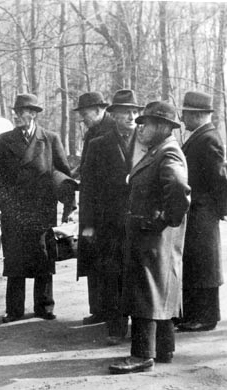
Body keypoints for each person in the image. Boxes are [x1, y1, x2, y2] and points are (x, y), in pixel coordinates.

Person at [109, 101, 191, 374]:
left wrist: (165, 220)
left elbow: (179, 187)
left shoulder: (167, 152)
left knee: (146, 291)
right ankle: (164, 348)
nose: (140, 128)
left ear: (163, 127)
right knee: (159, 288)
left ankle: (142, 354)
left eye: (147, 124)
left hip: (152, 235)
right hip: (152, 235)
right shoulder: (158, 150)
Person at [0, 93, 73, 324]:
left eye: (24, 112)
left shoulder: (50, 139)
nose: (19, 116)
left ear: (34, 114)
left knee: (43, 257)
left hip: (41, 209)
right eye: (17, 112)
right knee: (15, 260)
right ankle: (14, 309)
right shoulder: (4, 140)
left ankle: (44, 306)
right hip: (14, 210)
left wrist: (66, 202)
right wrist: (5, 203)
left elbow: (63, 172)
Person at [80, 90, 143, 344]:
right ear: (113, 114)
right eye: (125, 111)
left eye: (134, 112)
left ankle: (141, 330)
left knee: (139, 276)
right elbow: (88, 192)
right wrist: (88, 228)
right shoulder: (99, 145)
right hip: (109, 224)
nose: (131, 116)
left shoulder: (148, 142)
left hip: (141, 223)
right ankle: (116, 328)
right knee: (111, 275)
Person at [176, 91, 227, 332]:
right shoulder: (200, 136)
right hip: (197, 211)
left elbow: (221, 179)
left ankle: (206, 317)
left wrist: (220, 209)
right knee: (196, 263)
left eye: (186, 114)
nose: (182, 119)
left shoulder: (208, 138)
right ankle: (195, 315)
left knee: (204, 265)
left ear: (198, 115)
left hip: (203, 212)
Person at [73, 91, 116, 326]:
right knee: (94, 260)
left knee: (106, 262)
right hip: (91, 204)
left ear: (100, 110)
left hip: (105, 209)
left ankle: (109, 311)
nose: (83, 119)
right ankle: (98, 309)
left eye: (86, 114)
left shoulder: (111, 131)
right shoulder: (91, 132)